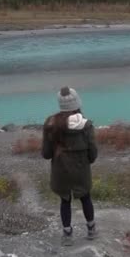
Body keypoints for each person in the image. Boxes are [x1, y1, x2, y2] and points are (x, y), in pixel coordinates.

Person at [42, 87, 98, 246]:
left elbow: (46, 154)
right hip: (81, 169)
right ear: (77, 103)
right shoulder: (86, 125)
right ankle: (91, 230)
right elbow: (93, 151)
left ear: (60, 104)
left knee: (64, 200)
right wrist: (88, 161)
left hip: (61, 171)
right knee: (86, 197)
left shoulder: (50, 124)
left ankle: (67, 234)